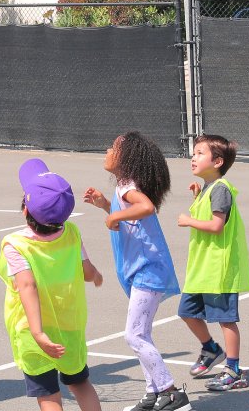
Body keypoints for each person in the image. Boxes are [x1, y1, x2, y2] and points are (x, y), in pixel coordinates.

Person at [84, 132, 190, 411]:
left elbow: (146, 207)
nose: (107, 150)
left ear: (126, 158)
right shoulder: (122, 187)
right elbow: (129, 212)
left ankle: (170, 392)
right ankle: (153, 393)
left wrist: (115, 215)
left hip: (148, 271)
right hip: (138, 271)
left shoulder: (129, 187)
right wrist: (106, 206)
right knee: (142, 333)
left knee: (134, 335)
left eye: (113, 147)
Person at [0, 158, 105, 411]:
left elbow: (27, 286)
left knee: (48, 395)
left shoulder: (15, 244)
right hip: (70, 326)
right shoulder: (72, 232)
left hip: (32, 330)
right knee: (81, 384)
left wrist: (38, 333)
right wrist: (97, 274)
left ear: (25, 210)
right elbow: (86, 272)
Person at [177, 134, 249, 392]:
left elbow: (216, 226)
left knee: (225, 320)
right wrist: (198, 197)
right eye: (193, 152)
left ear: (217, 161)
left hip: (218, 269)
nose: (193, 157)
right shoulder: (209, 189)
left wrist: (188, 220)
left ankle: (233, 370)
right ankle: (210, 349)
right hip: (201, 268)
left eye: (199, 153)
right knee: (187, 312)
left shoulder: (220, 189)